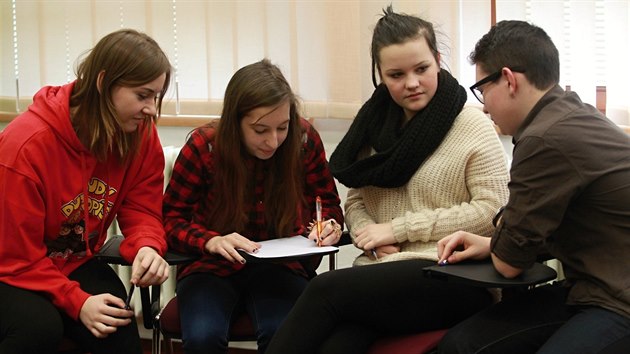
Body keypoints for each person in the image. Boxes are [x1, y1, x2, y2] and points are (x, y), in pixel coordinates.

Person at [266, 6, 509, 354]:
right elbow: (357, 200)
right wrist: (369, 236)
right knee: (336, 346)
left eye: (422, 69)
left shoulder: (472, 125)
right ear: (379, 74)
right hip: (382, 273)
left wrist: (397, 230)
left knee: (324, 290)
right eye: (396, 74)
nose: (411, 83)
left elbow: (491, 213)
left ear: (438, 60)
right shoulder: (374, 127)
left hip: (455, 277)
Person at [436, 20, 630, 354]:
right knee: (462, 344)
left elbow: (509, 262)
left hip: (617, 299)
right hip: (592, 286)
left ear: (509, 79)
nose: (484, 105)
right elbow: (535, 230)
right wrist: (491, 242)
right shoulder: (569, 112)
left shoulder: (544, 138)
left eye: (483, 89)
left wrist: (499, 244)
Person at [0, 29, 172, 354]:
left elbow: (142, 210)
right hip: (11, 270)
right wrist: (77, 301)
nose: (151, 109)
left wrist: (148, 246)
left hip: (72, 261)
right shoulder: (25, 146)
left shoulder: (139, 134)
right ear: (104, 83)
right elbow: (16, 258)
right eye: (142, 95)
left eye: (156, 97)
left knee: (118, 327)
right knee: (38, 329)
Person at [162, 58, 343, 354]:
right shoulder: (204, 147)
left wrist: (329, 227)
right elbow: (170, 219)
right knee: (203, 336)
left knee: (286, 335)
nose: (273, 141)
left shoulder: (303, 139)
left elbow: (329, 205)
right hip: (211, 268)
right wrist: (211, 240)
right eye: (260, 130)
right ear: (235, 122)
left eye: (282, 127)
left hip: (282, 267)